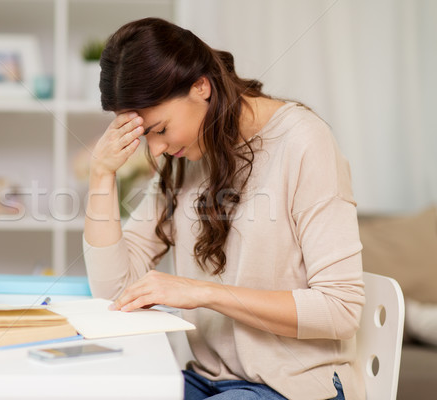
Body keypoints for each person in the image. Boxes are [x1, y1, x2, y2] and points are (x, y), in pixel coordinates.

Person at [83, 17, 364, 400]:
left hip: (292, 386)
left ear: (201, 87)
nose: (156, 150)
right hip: (208, 381)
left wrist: (205, 292)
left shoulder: (304, 142)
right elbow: (114, 289)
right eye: (145, 135)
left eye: (160, 129)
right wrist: (102, 175)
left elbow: (341, 309)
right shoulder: (187, 155)